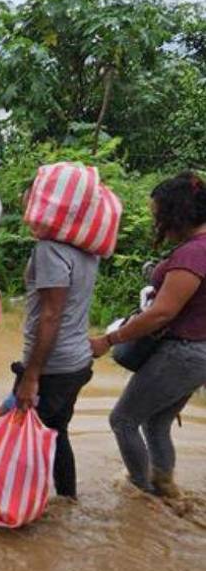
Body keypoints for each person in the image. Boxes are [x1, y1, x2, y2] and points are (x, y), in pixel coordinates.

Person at [91, 171, 206, 497]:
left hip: (183, 353)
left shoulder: (193, 253)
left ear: (177, 213)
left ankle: (140, 495)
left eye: (159, 215)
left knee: (123, 420)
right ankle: (166, 488)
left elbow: (162, 313)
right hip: (198, 354)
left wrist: (108, 340)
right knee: (156, 423)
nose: (156, 222)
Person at [9, 205, 101, 498]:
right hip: (76, 361)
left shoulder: (51, 249)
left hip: (53, 366)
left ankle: (18, 516)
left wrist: (31, 376)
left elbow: (51, 315)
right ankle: (66, 500)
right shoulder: (88, 249)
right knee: (57, 433)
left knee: (24, 441)